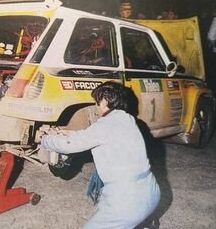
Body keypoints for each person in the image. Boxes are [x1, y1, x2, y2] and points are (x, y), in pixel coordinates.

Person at [41, 81, 160, 229]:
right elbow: (102, 136)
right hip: (151, 191)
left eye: (96, 102)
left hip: (128, 202)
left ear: (104, 102)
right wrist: (70, 133)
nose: (95, 107)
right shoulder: (127, 119)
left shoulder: (104, 125)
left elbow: (69, 146)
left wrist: (45, 140)